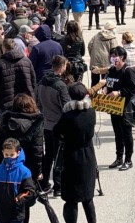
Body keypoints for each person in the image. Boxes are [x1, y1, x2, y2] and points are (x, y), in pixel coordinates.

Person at [0, 94, 44, 223]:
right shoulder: (36, 122)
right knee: (24, 202)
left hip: (6, 165)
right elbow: (37, 151)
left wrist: (6, 156)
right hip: (27, 169)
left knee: (4, 204)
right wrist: (38, 171)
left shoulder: (6, 121)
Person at [54, 82, 97, 223]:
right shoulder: (91, 112)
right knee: (88, 198)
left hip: (72, 156)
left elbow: (56, 131)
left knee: (71, 200)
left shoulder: (67, 116)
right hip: (88, 155)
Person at [93, 46, 135, 171]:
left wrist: (119, 92)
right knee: (118, 133)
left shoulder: (128, 71)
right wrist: (104, 90)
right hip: (114, 107)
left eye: (115, 56)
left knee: (127, 134)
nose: (113, 58)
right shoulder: (112, 70)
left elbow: (133, 89)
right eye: (111, 56)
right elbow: (109, 83)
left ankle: (128, 160)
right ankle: (119, 158)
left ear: (122, 57)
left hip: (125, 107)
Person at [35, 55, 70, 196]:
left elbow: (37, 101)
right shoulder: (60, 85)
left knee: (48, 154)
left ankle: (44, 184)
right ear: (62, 67)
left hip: (46, 124)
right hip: (58, 125)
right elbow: (66, 107)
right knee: (59, 156)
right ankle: (58, 186)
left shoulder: (42, 81)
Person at [0, 137, 36, 223]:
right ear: (3, 153)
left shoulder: (24, 171)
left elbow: (30, 191)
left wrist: (19, 199)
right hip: (0, 213)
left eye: (11, 155)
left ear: (18, 153)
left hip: (16, 213)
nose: (9, 157)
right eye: (6, 155)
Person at [0, 39, 37, 111]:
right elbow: (33, 81)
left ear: (3, 47)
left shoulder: (0, 64)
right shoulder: (27, 61)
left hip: (6, 101)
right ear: (15, 46)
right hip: (26, 100)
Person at [87, 22, 118, 86]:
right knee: (106, 80)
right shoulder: (112, 37)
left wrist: (92, 55)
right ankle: (106, 94)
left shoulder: (97, 35)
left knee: (94, 81)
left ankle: (93, 94)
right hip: (106, 62)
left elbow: (89, 45)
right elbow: (115, 51)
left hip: (95, 61)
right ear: (111, 29)